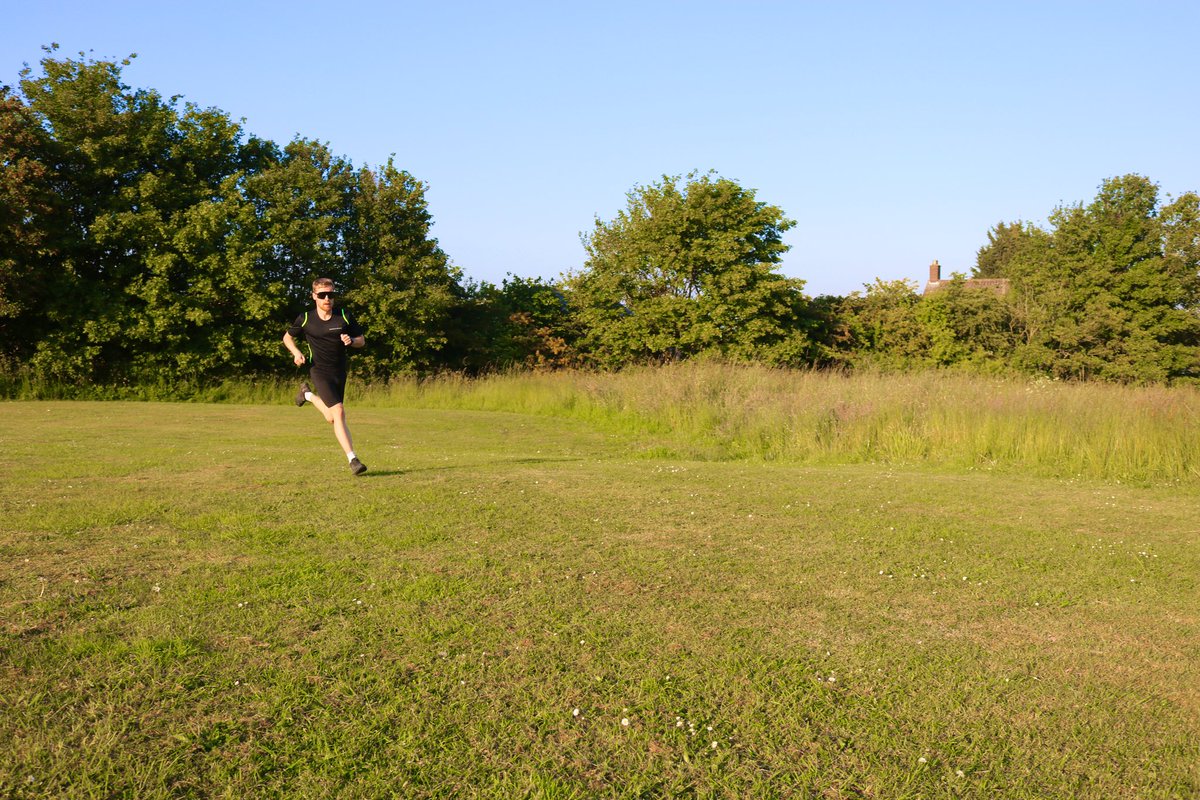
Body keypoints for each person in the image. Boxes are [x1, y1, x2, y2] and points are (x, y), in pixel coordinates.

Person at [283, 278, 368, 475]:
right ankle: (353, 459)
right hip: (318, 370)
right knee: (339, 412)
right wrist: (296, 353)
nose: (327, 298)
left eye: (331, 294)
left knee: (331, 417)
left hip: (339, 371)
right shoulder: (305, 318)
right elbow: (287, 337)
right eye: (322, 295)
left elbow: (361, 341)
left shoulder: (344, 316)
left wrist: (351, 340)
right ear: (314, 296)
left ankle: (306, 395)